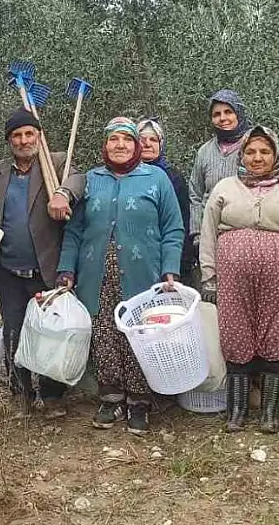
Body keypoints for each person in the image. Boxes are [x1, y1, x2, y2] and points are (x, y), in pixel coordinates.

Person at [56, 117, 184, 435]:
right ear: (105, 145)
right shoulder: (90, 180)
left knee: (140, 335)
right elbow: (73, 231)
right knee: (105, 334)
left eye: (127, 140)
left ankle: (139, 403)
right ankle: (110, 398)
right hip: (96, 274)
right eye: (114, 139)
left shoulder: (156, 179)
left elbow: (173, 228)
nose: (121, 145)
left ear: (137, 145)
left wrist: (171, 268)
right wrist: (66, 270)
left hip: (144, 274)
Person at [199, 126, 279, 433]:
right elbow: (209, 232)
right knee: (236, 334)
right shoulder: (225, 187)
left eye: (264, 152)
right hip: (232, 277)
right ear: (242, 155)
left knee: (277, 335)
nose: (257, 158)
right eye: (251, 152)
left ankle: (269, 413)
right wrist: (209, 276)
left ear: (275, 155)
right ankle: (237, 411)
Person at [0, 111, 76, 417]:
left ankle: (52, 396)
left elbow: (79, 179)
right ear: (9, 140)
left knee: (50, 332)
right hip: (9, 269)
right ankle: (20, 394)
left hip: (46, 268)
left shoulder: (57, 163)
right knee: (13, 331)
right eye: (17, 136)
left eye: (29, 134)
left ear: (39, 136)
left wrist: (63, 193)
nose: (24, 141)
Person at [188, 90, 252, 274]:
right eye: (216, 114)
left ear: (238, 113)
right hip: (211, 239)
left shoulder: (253, 146)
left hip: (246, 238)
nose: (222, 118)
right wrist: (198, 235)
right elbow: (195, 193)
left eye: (228, 112)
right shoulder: (205, 152)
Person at [138, 118, 194, 282]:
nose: (147, 144)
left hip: (166, 258)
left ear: (161, 144)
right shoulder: (124, 176)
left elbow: (182, 220)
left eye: (153, 140)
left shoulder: (173, 178)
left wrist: (181, 263)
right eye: (142, 140)